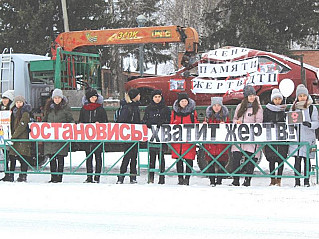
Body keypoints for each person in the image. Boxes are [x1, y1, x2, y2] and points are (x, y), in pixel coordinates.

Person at [231, 85, 263, 186]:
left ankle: (247, 180)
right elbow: (234, 119)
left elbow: (259, 122)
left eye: (253, 95)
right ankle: (235, 180)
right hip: (240, 137)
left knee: (251, 159)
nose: (252, 97)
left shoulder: (257, 107)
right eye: (250, 95)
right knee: (236, 158)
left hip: (251, 137)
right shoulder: (240, 106)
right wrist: (237, 122)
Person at [288, 84, 319, 187]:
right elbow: (290, 121)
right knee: (297, 160)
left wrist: (310, 124)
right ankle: (297, 181)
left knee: (307, 160)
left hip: (308, 137)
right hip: (297, 138)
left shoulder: (311, 108)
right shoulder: (294, 107)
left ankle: (306, 180)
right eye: (300, 96)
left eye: (304, 95)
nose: (302, 97)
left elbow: (316, 122)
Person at [43, 89, 74, 183]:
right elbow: (45, 120)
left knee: (60, 157)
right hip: (51, 137)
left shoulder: (66, 108)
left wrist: (68, 127)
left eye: (58, 98)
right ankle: (53, 177)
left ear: (61, 98)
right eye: (55, 98)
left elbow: (70, 120)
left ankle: (59, 177)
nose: (57, 99)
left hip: (61, 137)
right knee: (52, 157)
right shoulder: (48, 108)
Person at [79, 88, 107, 183]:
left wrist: (100, 123)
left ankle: (97, 176)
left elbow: (105, 121)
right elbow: (81, 120)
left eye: (95, 97)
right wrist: (81, 124)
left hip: (98, 137)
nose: (94, 99)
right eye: (92, 97)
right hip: (87, 137)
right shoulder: (84, 109)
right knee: (88, 157)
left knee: (98, 157)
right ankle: (89, 176)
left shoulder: (100, 109)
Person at [142, 89, 171, 184]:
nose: (157, 99)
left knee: (161, 157)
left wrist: (162, 123)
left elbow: (169, 121)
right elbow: (144, 120)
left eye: (159, 97)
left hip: (162, 137)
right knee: (152, 157)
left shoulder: (165, 108)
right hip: (152, 137)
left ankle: (162, 178)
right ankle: (151, 177)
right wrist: (148, 123)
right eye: (155, 97)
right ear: (152, 98)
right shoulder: (148, 108)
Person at [171, 92, 199, 186]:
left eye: (185, 101)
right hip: (178, 140)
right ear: (179, 102)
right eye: (182, 101)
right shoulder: (174, 112)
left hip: (188, 140)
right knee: (178, 160)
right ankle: (180, 178)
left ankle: (187, 178)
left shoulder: (192, 112)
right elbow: (171, 124)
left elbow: (195, 123)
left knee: (189, 159)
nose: (184, 103)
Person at [263, 89, 288, 186]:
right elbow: (264, 122)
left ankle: (279, 179)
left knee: (281, 159)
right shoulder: (267, 110)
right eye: (275, 99)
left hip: (281, 138)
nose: (277, 101)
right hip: (271, 137)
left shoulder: (284, 110)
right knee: (271, 159)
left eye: (279, 99)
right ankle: (272, 178)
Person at [116, 88, 141, 184]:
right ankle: (122, 175)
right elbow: (122, 120)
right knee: (128, 155)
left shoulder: (135, 106)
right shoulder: (127, 107)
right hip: (129, 134)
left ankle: (132, 175)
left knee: (133, 155)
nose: (140, 96)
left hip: (134, 134)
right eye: (138, 95)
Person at [204, 97, 230, 186]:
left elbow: (229, 128)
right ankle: (212, 181)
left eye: (218, 105)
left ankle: (219, 181)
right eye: (215, 105)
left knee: (222, 162)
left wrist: (225, 125)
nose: (216, 107)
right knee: (210, 162)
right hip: (210, 143)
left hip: (221, 143)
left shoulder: (225, 117)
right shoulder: (208, 116)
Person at [7, 96, 32, 182]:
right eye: (17, 102)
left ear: (23, 103)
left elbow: (22, 125)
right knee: (12, 156)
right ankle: (11, 175)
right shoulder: (13, 111)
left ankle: (23, 175)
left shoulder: (25, 112)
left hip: (22, 137)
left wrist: (14, 135)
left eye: (20, 102)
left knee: (23, 157)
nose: (18, 104)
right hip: (15, 137)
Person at [0, 90, 15, 181]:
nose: (4, 100)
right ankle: (7, 173)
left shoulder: (13, 110)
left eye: (6, 99)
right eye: (3, 99)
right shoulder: (1, 109)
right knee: (5, 155)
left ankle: (11, 174)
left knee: (12, 156)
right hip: (2, 135)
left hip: (10, 135)